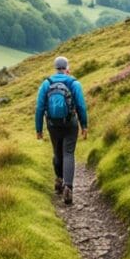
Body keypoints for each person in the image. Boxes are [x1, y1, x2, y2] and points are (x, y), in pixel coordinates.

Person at [35, 56, 88, 205]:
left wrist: (39, 129)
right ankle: (68, 188)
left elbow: (39, 108)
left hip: (52, 124)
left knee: (57, 152)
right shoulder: (74, 83)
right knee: (68, 153)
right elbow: (81, 106)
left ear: (55, 67)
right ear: (67, 68)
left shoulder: (46, 84)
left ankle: (59, 180)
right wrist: (84, 125)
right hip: (70, 124)